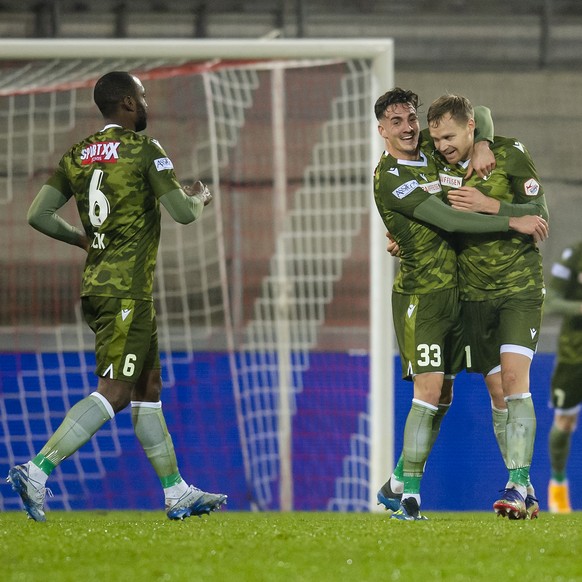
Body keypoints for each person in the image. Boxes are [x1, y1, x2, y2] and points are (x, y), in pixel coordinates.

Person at [6, 71, 227, 522]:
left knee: (148, 390)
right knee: (115, 391)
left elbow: (38, 214)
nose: (147, 105)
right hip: (126, 289)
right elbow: (183, 214)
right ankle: (36, 469)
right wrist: (199, 196)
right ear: (127, 103)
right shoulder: (145, 149)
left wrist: (81, 240)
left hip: (100, 285)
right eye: (142, 97)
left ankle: (175, 491)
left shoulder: (78, 153)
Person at [373, 88, 548, 520]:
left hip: (498, 290)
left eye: (411, 119)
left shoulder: (476, 152)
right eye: (396, 122)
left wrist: (486, 150)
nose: (411, 129)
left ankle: (517, 485)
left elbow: (482, 113)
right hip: (442, 294)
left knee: (489, 387)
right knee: (444, 390)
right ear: (382, 131)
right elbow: (447, 219)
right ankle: (406, 490)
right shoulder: (405, 169)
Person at [427, 94, 549, 520]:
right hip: (472, 295)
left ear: (470, 130)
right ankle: (527, 490)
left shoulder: (509, 154)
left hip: (519, 287)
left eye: (451, 136)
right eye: (437, 137)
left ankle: (516, 485)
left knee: (515, 379)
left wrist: (490, 204)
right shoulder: (437, 163)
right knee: (497, 391)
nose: (443, 145)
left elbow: (539, 211)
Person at [545, 241, 582, 513]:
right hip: (574, 354)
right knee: (565, 421)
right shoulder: (575, 254)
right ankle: (558, 488)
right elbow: (550, 302)